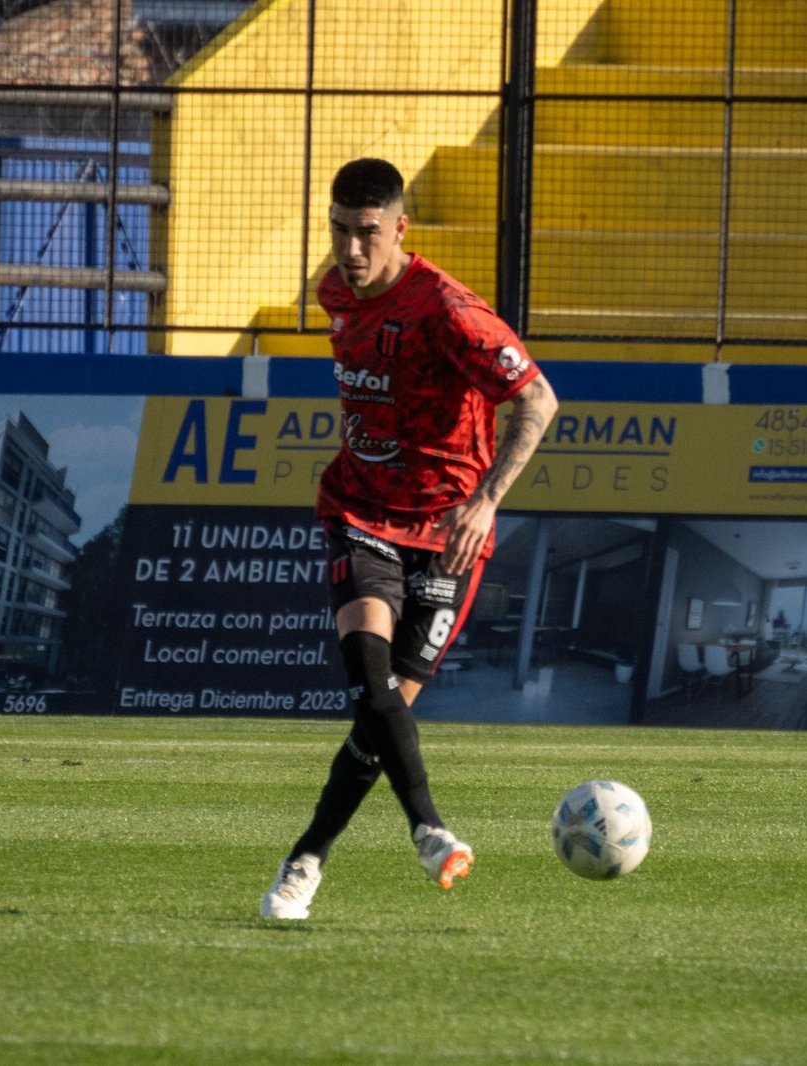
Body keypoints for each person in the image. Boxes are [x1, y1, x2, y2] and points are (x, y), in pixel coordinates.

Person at [261, 158, 559, 920]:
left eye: (367, 233)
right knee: (368, 673)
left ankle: (305, 859)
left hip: (448, 531)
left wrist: (486, 501)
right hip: (359, 509)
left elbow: (537, 398)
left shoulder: (449, 311)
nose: (350, 250)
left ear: (400, 228)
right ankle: (428, 830)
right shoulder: (334, 292)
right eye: (338, 231)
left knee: (379, 719)